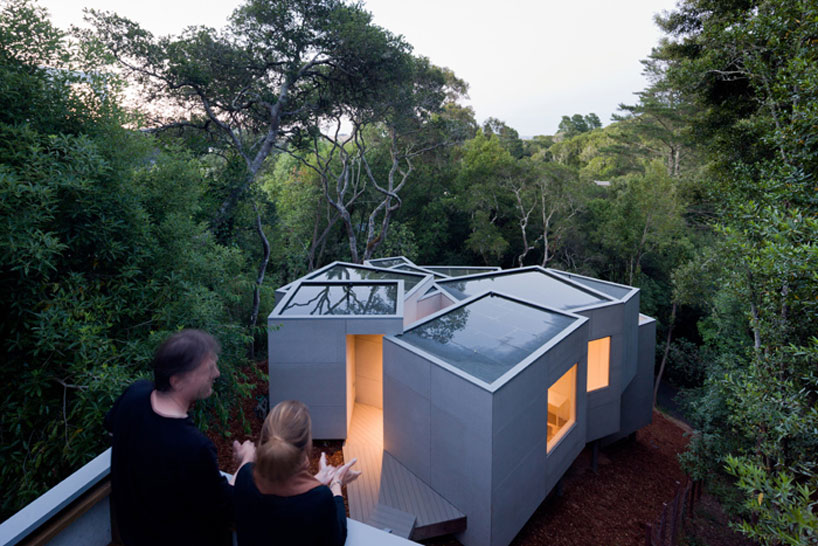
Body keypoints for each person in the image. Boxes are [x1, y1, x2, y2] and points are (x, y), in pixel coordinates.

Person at [104, 329, 256, 546]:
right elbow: (227, 507)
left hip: (135, 535)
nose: (217, 374)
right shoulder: (193, 446)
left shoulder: (134, 396)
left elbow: (112, 428)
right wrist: (246, 462)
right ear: (177, 381)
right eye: (208, 368)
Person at [234, 400, 361, 546]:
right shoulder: (319, 500)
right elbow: (337, 538)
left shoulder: (245, 477)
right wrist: (336, 483)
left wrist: (317, 479)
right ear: (307, 444)